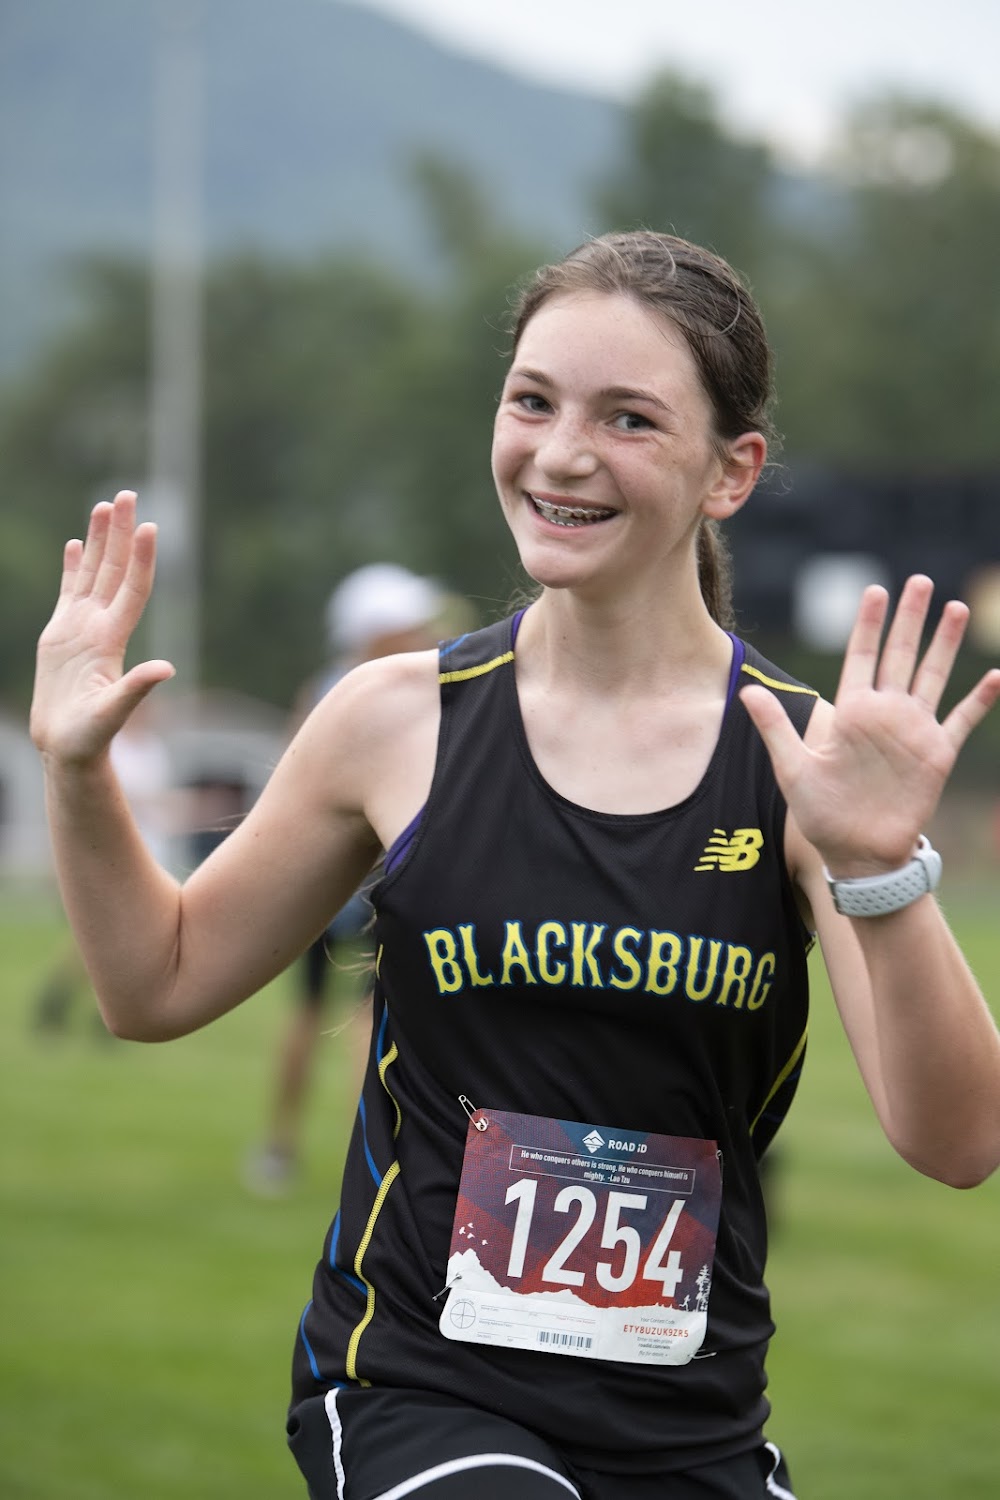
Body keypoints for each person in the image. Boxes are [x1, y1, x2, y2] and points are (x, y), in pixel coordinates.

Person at [29, 230, 1000, 1500]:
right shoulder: (393, 722)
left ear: (732, 471)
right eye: (532, 401)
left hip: (690, 1431)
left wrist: (877, 864)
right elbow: (153, 984)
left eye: (628, 418)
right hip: (417, 1392)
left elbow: (958, 1141)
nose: (560, 454)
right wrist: (77, 771)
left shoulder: (803, 766)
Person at [245, 563, 446, 1194]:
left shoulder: (323, 689)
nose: (426, 631)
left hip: (322, 882)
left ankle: (279, 1148)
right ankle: (367, 1157)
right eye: (411, 622)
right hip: (370, 883)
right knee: (367, 1018)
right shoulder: (391, 696)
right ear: (376, 632)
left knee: (309, 1013)